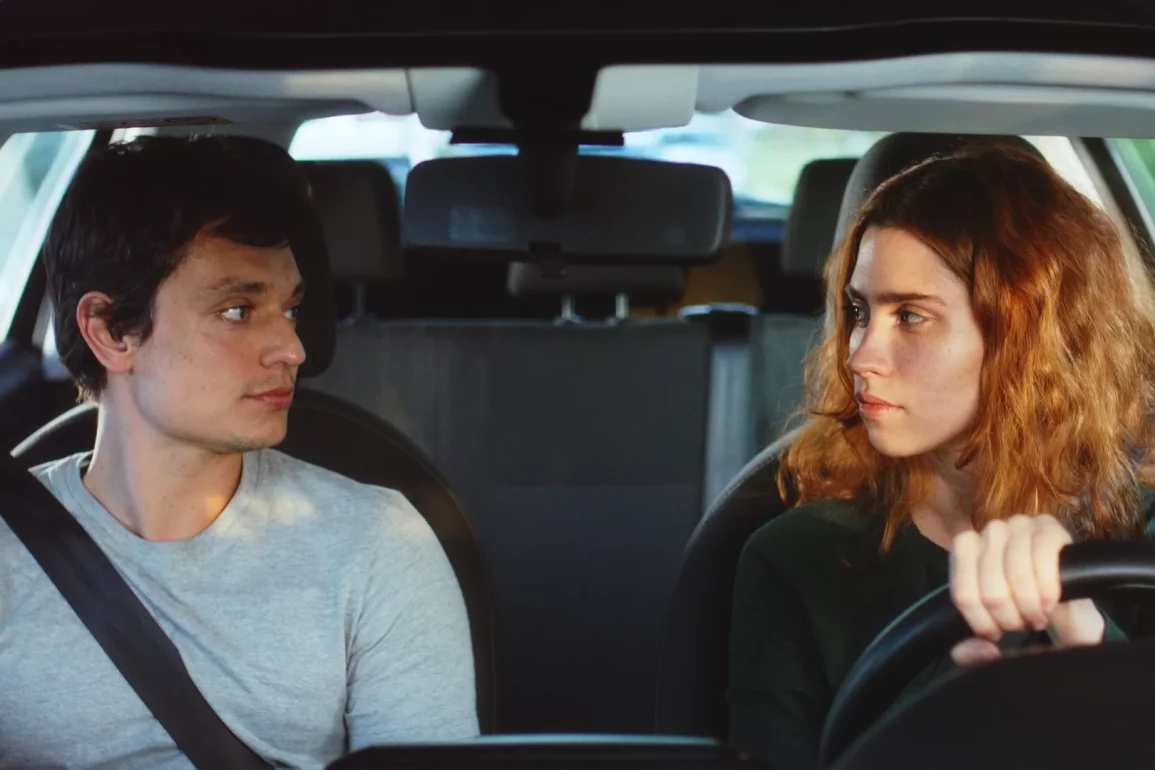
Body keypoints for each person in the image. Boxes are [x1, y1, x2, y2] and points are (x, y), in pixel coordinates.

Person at [0, 136, 479, 769]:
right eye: (237, 310)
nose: (292, 349)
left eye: (291, 309)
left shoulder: (377, 544)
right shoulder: (9, 548)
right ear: (112, 332)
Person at [728, 142, 1155, 769]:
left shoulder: (1141, 541)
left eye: (911, 316)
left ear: (1026, 334)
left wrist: (1083, 640)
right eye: (859, 311)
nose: (860, 355)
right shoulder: (797, 559)